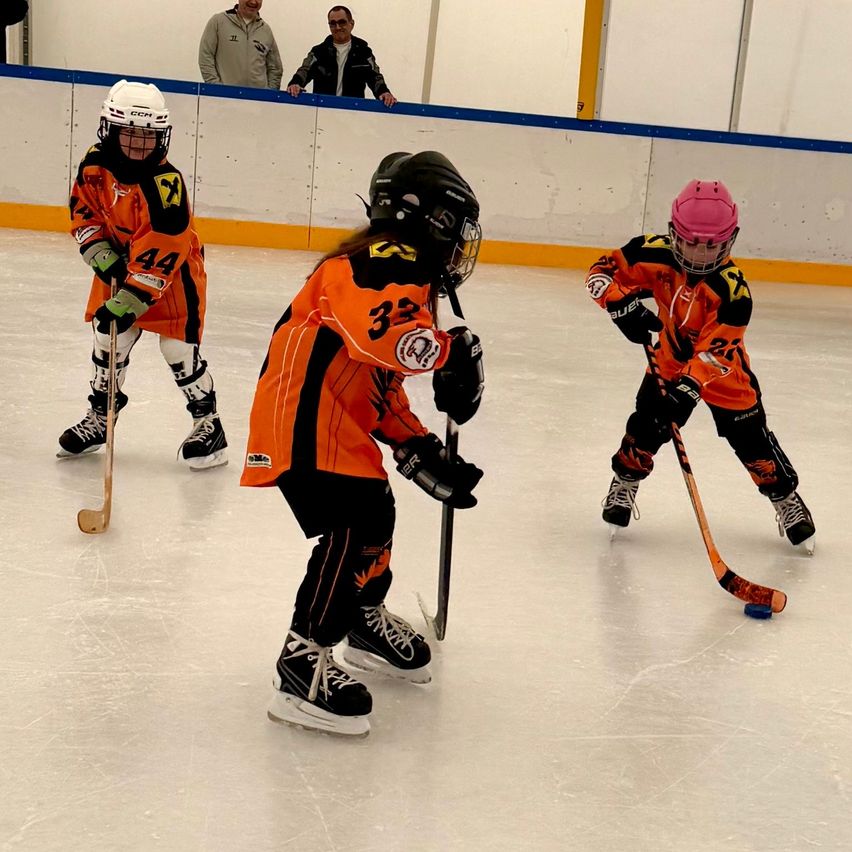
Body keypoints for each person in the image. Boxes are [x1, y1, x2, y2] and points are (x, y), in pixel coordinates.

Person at [241, 151, 485, 736]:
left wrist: (420, 447)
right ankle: (302, 663)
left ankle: (361, 620)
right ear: (432, 220)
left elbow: (379, 382)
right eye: (458, 230)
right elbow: (389, 337)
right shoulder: (386, 257)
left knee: (376, 513)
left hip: (330, 419)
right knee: (355, 521)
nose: (461, 248)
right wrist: (448, 355)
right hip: (301, 416)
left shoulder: (402, 272)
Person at [587, 179, 815, 553]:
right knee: (645, 427)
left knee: (753, 443)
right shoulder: (650, 252)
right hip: (668, 362)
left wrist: (689, 390)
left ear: (730, 240)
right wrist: (618, 305)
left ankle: (785, 498)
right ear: (674, 232)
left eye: (711, 245)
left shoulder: (734, 292)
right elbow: (598, 273)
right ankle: (625, 481)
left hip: (726, 376)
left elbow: (715, 353)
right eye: (691, 241)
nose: (699, 254)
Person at [58, 79, 228, 471]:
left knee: (177, 349)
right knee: (108, 335)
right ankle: (101, 419)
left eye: (148, 136)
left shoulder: (165, 184)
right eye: (129, 134)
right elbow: (84, 210)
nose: (138, 144)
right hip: (116, 262)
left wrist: (132, 298)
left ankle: (209, 424)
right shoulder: (94, 163)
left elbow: (166, 244)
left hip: (172, 275)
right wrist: (99, 252)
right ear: (110, 130)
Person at [285, 5, 397, 106]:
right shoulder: (318, 52)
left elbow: (375, 76)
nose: (337, 27)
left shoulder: (363, 51)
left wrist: (384, 92)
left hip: (352, 113)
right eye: (332, 23)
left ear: (351, 24)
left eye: (342, 22)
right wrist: (295, 84)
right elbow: (304, 70)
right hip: (322, 112)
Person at [198, 0, 283, 90]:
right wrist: (216, 88)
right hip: (223, 99)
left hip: (258, 101)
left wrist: (268, 94)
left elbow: (275, 69)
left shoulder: (265, 30)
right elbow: (205, 57)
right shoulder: (218, 22)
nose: (253, 2)